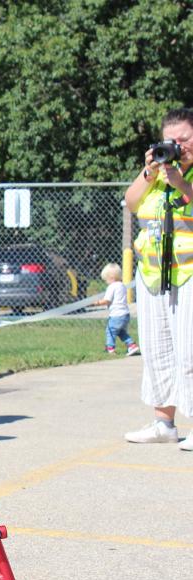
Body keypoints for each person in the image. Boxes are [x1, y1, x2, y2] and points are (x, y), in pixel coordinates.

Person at [123, 108, 193, 452]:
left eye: (184, 139)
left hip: (188, 273)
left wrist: (181, 183)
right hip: (153, 275)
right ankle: (164, 423)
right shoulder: (156, 173)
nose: (177, 146)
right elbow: (131, 202)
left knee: (190, 352)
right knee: (157, 351)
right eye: (171, 140)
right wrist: (150, 171)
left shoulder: (185, 175)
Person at [96, 263, 139, 356]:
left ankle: (110, 349)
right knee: (120, 331)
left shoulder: (112, 286)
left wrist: (97, 302)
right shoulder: (122, 285)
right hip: (125, 314)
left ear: (111, 277)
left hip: (116, 315)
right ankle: (131, 345)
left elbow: (107, 300)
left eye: (106, 279)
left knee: (110, 331)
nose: (106, 282)